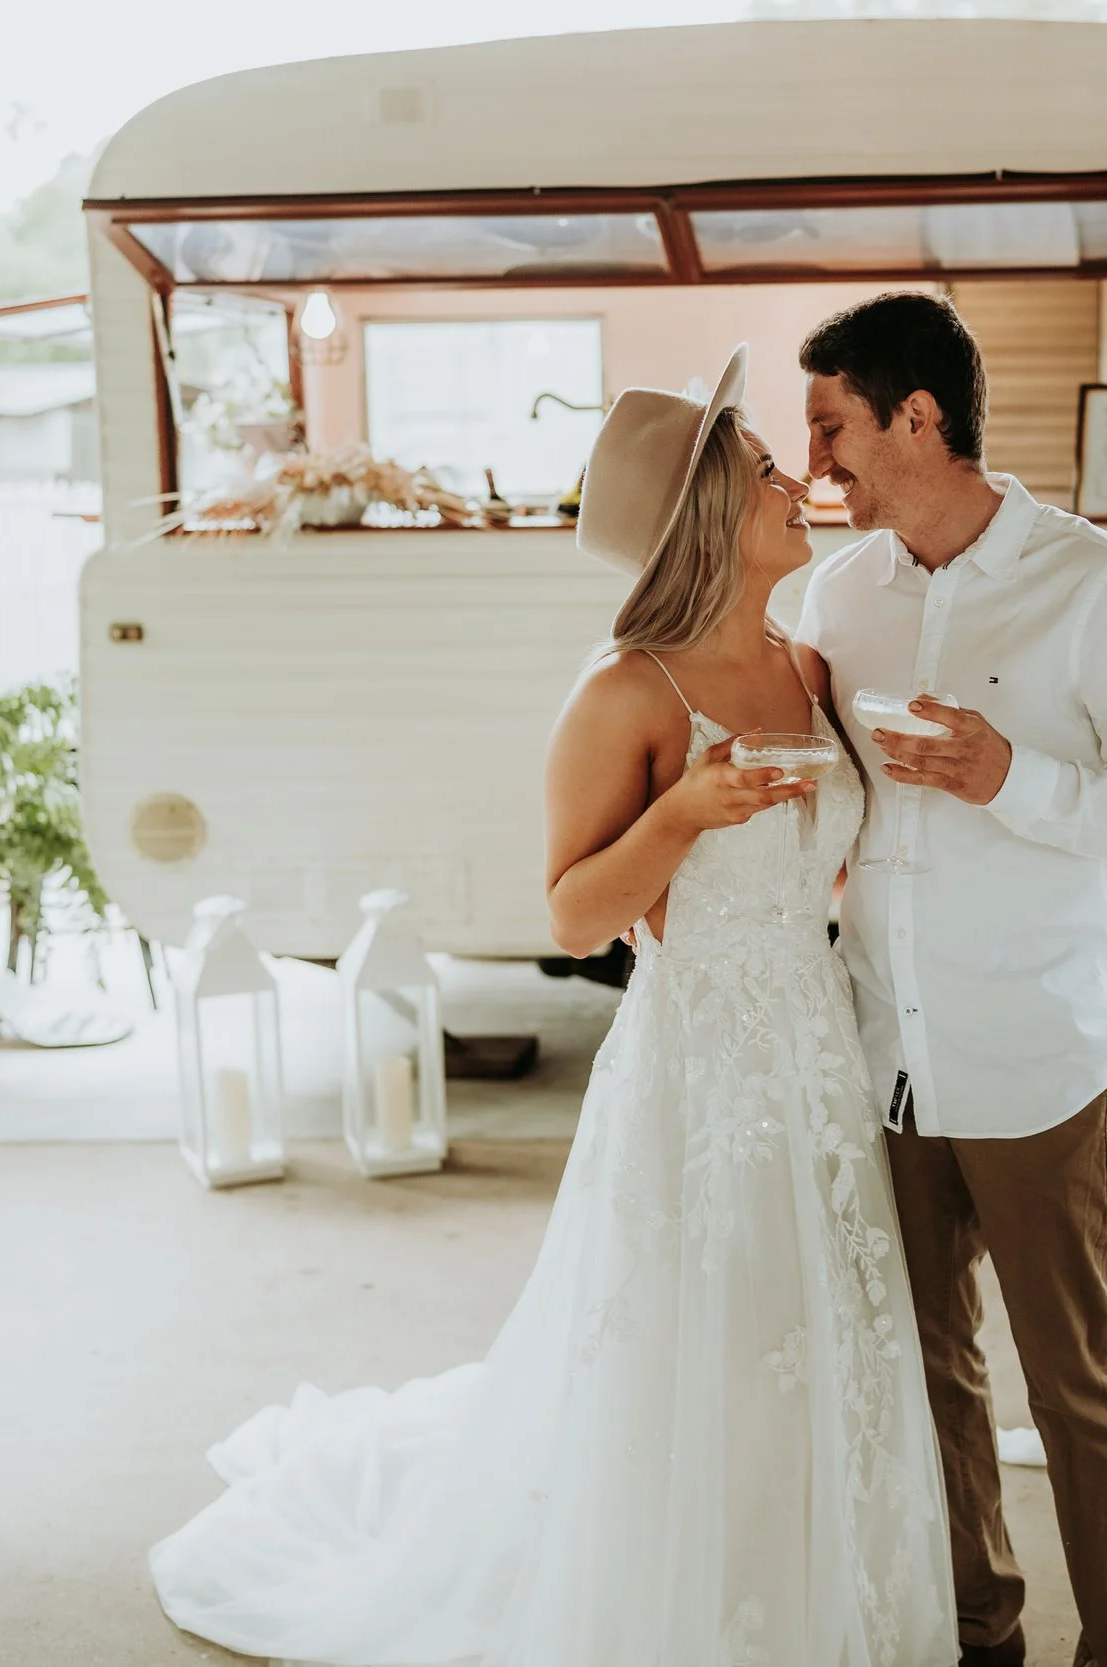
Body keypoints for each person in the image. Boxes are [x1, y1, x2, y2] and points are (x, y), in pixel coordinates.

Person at [150, 346, 957, 1666]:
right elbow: (577, 913)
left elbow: (836, 852)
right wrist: (688, 809)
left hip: (816, 1051)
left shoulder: (806, 665)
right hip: (698, 1068)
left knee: (813, 1340)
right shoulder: (625, 692)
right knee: (696, 1346)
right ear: (706, 519)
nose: (795, 484)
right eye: (764, 474)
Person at [793, 294, 1107, 1667]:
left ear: (918, 418)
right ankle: (983, 1632)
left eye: (834, 428)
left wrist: (1011, 777)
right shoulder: (836, 593)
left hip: (1035, 1050)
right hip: (885, 1054)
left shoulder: (1100, 586)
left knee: (1077, 1386)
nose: (819, 464)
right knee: (930, 1378)